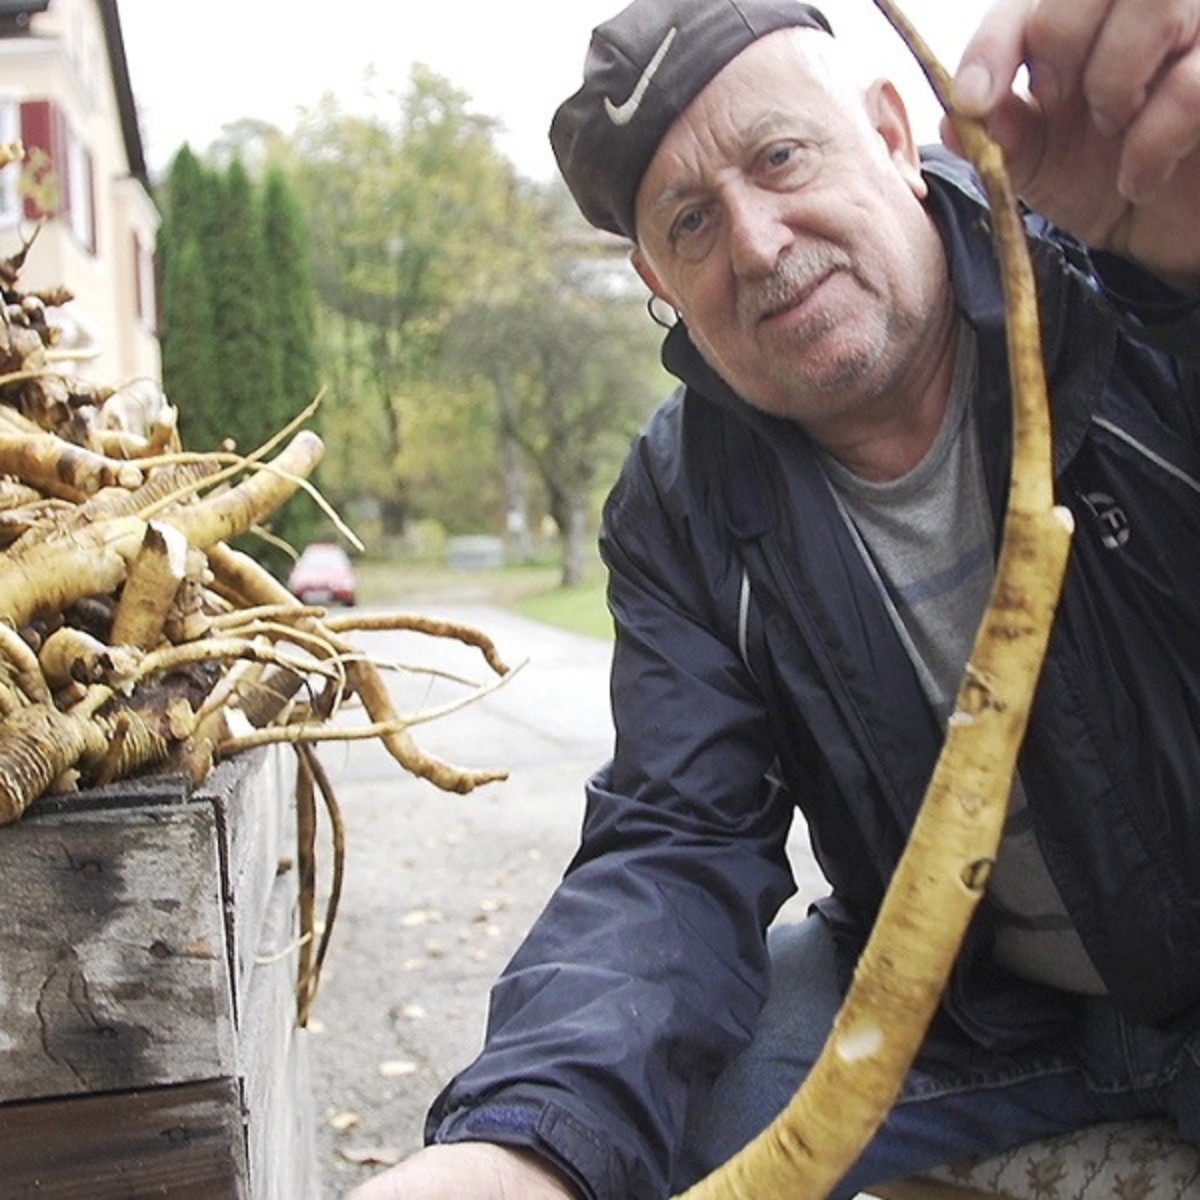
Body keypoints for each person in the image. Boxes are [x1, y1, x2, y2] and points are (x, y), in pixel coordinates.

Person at [349, 0, 1200, 1196]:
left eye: (781, 157)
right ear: (658, 280)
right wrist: (525, 1141)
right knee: (650, 1128)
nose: (753, 243)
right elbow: (675, 840)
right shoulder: (678, 503)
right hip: (977, 1016)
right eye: (692, 222)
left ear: (896, 136)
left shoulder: (1135, 285)